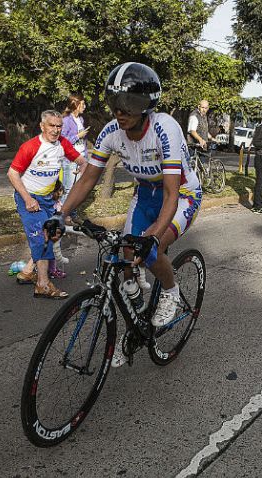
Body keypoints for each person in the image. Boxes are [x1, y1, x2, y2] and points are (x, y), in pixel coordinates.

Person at [49, 62, 203, 365]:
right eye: (115, 103)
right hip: (145, 193)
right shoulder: (111, 132)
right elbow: (88, 179)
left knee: (149, 246)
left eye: (129, 104)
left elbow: (172, 194)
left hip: (181, 195)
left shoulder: (165, 128)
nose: (120, 111)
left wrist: (155, 236)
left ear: (146, 106)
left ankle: (170, 291)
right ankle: (136, 319)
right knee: (124, 252)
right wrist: (61, 213)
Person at [7, 109, 86, 299]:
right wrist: (28, 199)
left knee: (51, 235)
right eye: (52, 125)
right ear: (42, 126)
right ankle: (42, 284)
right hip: (29, 198)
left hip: (48, 199)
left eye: (59, 126)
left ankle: (27, 271)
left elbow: (83, 162)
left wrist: (80, 171)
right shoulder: (30, 147)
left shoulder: (63, 144)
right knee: (43, 237)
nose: (56, 130)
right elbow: (12, 173)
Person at [60, 93, 90, 226]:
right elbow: (62, 140)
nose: (84, 106)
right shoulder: (66, 120)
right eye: (82, 104)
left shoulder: (81, 120)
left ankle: (72, 213)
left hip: (81, 158)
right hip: (70, 159)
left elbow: (83, 142)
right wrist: (78, 135)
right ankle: (63, 214)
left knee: (77, 189)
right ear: (76, 105)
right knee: (68, 188)